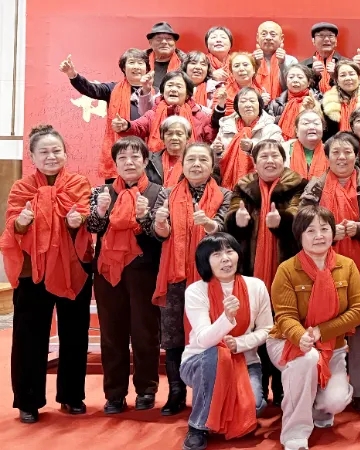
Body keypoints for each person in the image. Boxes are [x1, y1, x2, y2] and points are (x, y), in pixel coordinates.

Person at [2, 125, 93, 423]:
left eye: (56, 151)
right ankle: (28, 401)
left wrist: (75, 223)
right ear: (32, 157)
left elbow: (83, 220)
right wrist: (22, 222)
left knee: (74, 334)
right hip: (33, 271)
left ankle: (72, 396)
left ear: (66, 153)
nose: (51, 156)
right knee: (29, 337)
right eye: (44, 152)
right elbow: (13, 226)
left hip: (72, 268)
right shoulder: (22, 188)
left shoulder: (79, 184)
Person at [299, 132, 360, 411]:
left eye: (347, 151)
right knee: (326, 326)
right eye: (335, 152)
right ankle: (323, 389)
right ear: (327, 156)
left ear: (356, 155)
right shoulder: (315, 187)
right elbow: (300, 224)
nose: (341, 157)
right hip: (322, 270)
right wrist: (327, 233)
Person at [266, 206, 360, 450]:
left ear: (333, 232)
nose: (319, 236)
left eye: (324, 229)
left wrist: (322, 330)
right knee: (307, 359)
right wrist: (301, 336)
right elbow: (284, 316)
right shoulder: (287, 269)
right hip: (287, 342)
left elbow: (359, 311)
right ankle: (295, 432)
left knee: (336, 401)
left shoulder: (347, 266)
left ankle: (316, 407)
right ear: (299, 235)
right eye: (310, 231)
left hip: (332, 345)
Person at [86, 136, 168, 414]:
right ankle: (114, 394)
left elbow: (160, 236)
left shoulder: (159, 193)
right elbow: (92, 227)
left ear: (145, 162)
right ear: (115, 163)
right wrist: (100, 211)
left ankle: (146, 389)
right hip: (107, 272)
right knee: (112, 334)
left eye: (135, 157)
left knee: (145, 333)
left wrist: (144, 218)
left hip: (144, 271)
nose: (129, 162)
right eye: (122, 158)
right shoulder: (102, 191)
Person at [151, 142, 231, 418]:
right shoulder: (166, 194)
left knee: (210, 331)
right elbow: (157, 232)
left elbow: (226, 229)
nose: (196, 165)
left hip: (212, 277)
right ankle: (176, 392)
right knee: (174, 335)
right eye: (191, 160)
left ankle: (212, 391)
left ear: (212, 165)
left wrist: (209, 224)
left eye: (202, 160)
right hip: (175, 275)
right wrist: (161, 225)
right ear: (182, 165)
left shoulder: (225, 194)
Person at [226, 140, 308, 406]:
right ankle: (257, 385)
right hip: (251, 271)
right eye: (264, 156)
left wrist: (283, 222)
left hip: (287, 270)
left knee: (285, 327)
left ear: (284, 161)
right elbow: (232, 217)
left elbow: (302, 219)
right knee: (256, 326)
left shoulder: (298, 185)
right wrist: (237, 222)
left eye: (275, 156)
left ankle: (283, 386)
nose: (270, 160)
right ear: (255, 161)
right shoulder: (243, 187)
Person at [178, 234, 273, 450]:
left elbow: (268, 329)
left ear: (238, 255)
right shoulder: (196, 291)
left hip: (245, 361)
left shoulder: (256, 286)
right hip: (199, 361)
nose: (225, 258)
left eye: (230, 251)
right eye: (216, 254)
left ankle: (216, 407)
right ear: (205, 261)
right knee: (215, 353)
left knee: (255, 407)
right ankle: (198, 426)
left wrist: (239, 344)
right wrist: (227, 318)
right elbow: (204, 340)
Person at [61, 48, 149, 178]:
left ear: (147, 68)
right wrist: (73, 75)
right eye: (131, 62)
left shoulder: (156, 92)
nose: (136, 66)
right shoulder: (112, 89)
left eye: (140, 63)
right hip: (120, 151)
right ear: (123, 68)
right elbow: (91, 89)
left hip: (148, 154)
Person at [121, 71, 216, 154]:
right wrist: (126, 125)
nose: (173, 89)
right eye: (170, 85)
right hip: (158, 164)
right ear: (162, 92)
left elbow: (211, 138)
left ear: (187, 95)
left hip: (189, 163)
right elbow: (138, 126)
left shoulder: (200, 116)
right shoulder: (152, 114)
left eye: (179, 86)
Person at [214, 87, 284, 187]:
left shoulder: (272, 129)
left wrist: (252, 147)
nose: (248, 105)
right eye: (243, 101)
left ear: (260, 105)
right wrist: (216, 152)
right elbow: (215, 162)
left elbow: (277, 157)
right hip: (226, 183)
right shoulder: (226, 126)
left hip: (261, 184)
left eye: (252, 101)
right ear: (236, 106)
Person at [268, 64, 321, 141]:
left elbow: (324, 128)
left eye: (300, 77)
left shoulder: (319, 99)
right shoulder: (276, 104)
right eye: (291, 77)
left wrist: (313, 108)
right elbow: (269, 127)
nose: (295, 80)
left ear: (309, 82)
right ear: (286, 82)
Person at [254, 21, 301, 99]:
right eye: (264, 34)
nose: (268, 38)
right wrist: (255, 65)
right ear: (257, 38)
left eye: (273, 34)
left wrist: (282, 64)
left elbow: (293, 87)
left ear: (281, 38)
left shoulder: (291, 61)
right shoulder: (249, 60)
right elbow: (244, 86)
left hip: (283, 103)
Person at [302, 22, 348, 93]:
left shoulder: (347, 64)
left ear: (336, 41)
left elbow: (351, 89)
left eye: (330, 36)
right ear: (313, 41)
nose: (326, 39)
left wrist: (335, 75)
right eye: (321, 36)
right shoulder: (303, 66)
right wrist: (313, 75)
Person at [284, 109, 329, 179]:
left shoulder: (330, 151)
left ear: (323, 128)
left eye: (316, 123)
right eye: (305, 123)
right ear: (296, 130)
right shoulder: (283, 150)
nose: (311, 127)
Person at [145, 22, 184, 88]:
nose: (164, 42)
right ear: (150, 43)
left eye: (169, 39)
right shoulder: (141, 61)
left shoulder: (185, 62)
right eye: (159, 39)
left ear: (175, 43)